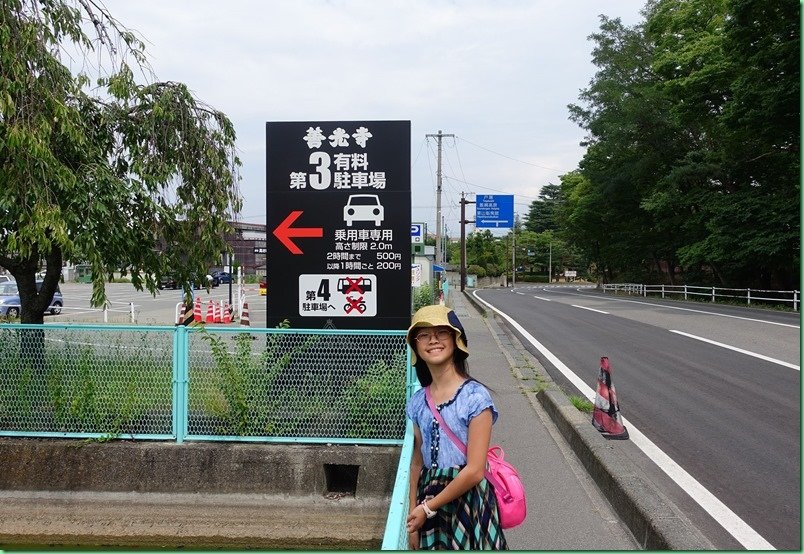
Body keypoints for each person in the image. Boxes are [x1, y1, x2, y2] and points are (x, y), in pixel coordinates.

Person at [404, 304, 507, 550]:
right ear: (416, 345)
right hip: (427, 499)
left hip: (468, 499)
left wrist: (426, 508)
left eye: (441, 333)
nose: (433, 341)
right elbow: (418, 461)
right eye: (424, 335)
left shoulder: (475, 397)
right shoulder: (418, 401)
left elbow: (474, 470)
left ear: (455, 340)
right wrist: (412, 516)